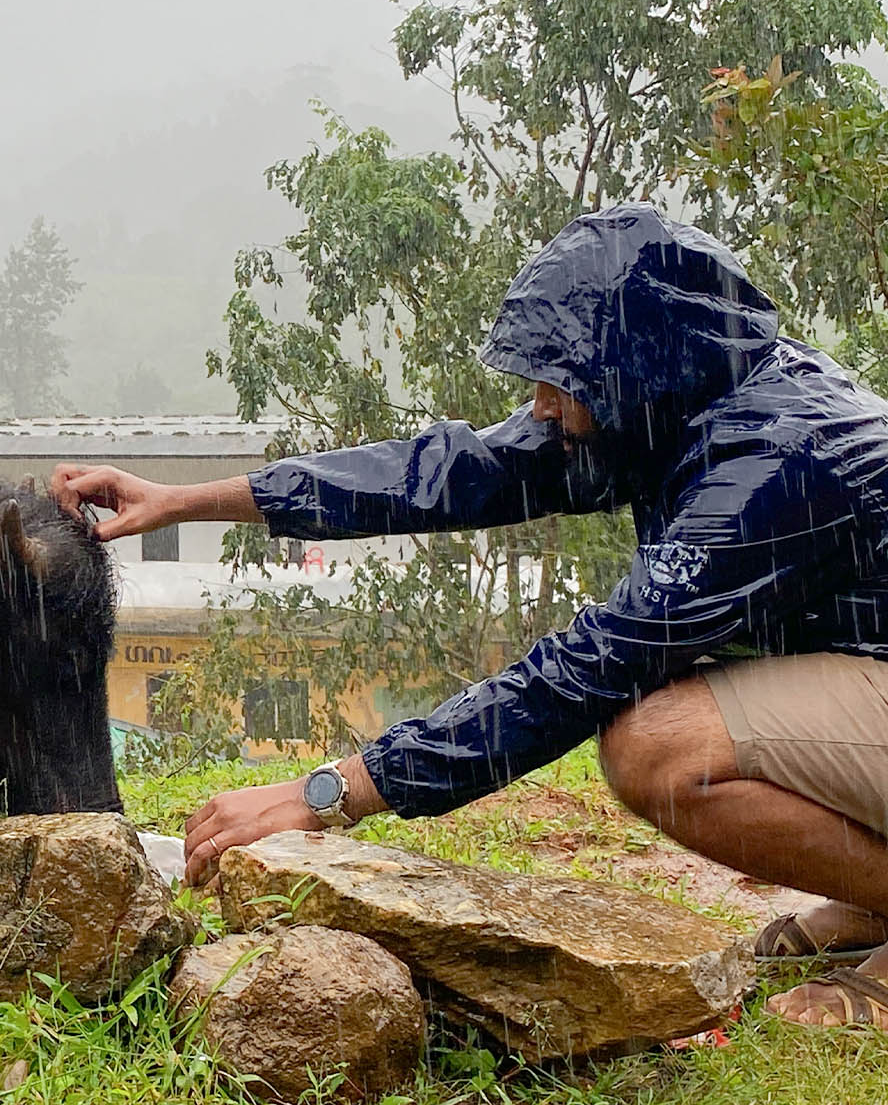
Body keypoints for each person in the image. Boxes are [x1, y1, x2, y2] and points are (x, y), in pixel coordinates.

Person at [53, 205, 888, 1033]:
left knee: (661, 746)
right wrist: (185, 502)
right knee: (681, 703)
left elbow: (588, 670)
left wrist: (328, 792)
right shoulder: (687, 401)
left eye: (561, 383)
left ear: (639, 366)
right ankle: (871, 902)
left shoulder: (778, 461)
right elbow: (453, 471)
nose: (545, 407)